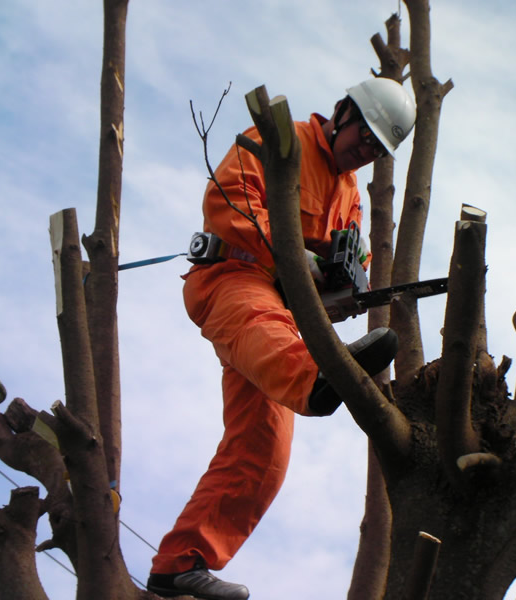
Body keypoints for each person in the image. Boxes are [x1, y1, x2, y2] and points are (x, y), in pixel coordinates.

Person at [146, 77, 416, 600]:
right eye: (363, 137)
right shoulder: (277, 141)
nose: (363, 151)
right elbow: (231, 206)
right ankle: (322, 376)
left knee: (264, 449)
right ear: (342, 113)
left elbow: (350, 260)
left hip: (285, 320)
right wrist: (301, 258)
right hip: (232, 279)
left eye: (375, 150)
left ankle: (180, 563)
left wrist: (343, 283)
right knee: (262, 326)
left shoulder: (351, 196)